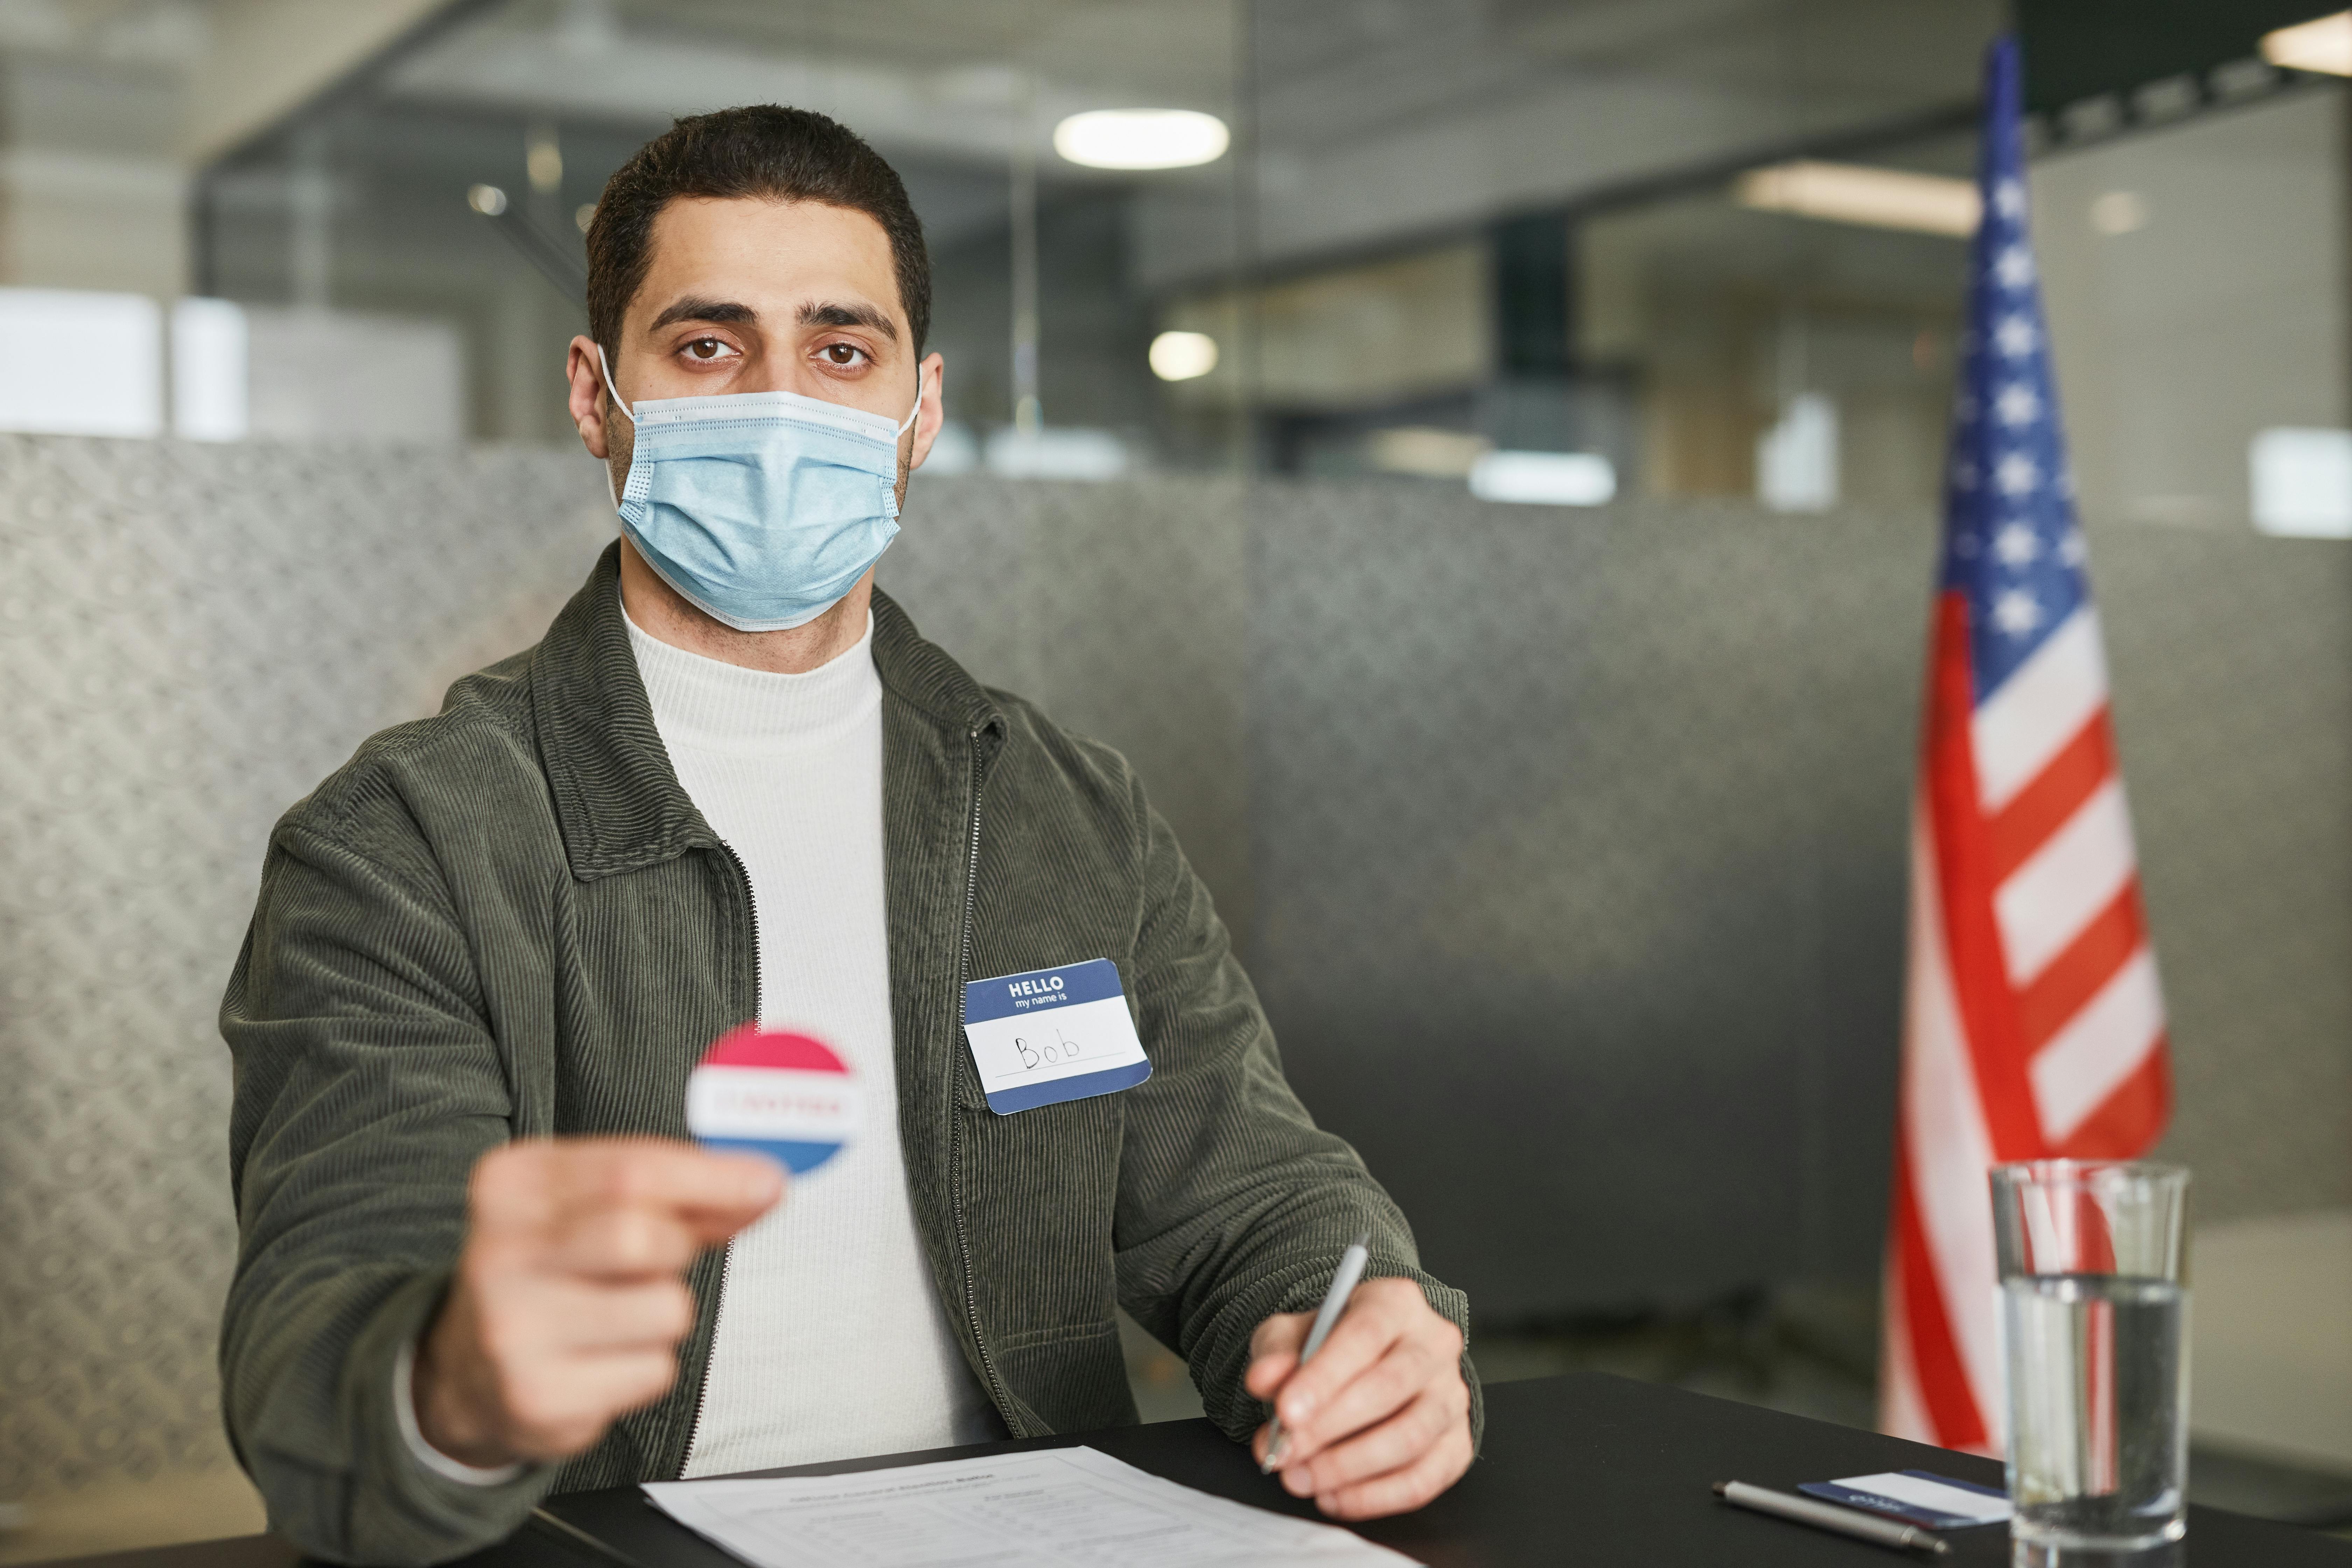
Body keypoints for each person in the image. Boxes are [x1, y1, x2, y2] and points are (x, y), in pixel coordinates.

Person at [218, 104, 1477, 1567]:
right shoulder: (408, 842)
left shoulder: (1063, 813)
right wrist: (450, 1380)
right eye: (706, 346)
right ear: (593, 394)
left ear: (919, 410)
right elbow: (321, 1328)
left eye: (840, 349)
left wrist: (1368, 1317)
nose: (780, 405)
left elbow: (1245, 1190)